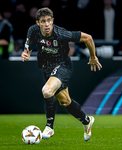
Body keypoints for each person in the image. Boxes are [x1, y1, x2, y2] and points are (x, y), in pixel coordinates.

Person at [21, 7, 102, 141]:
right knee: (65, 101)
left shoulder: (61, 34)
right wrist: (25, 54)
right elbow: (27, 48)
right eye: (43, 21)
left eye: (48, 21)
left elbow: (88, 38)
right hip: (46, 67)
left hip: (63, 65)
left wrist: (93, 57)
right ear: (38, 23)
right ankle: (87, 121)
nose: (46, 24)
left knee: (47, 91)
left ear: (52, 21)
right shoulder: (33, 31)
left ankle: (49, 127)